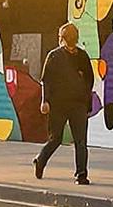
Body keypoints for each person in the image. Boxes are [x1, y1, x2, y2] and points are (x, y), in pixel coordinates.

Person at [33, 22, 94, 185]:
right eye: (66, 38)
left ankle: (81, 174)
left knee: (81, 141)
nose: (68, 41)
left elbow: (89, 80)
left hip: (78, 105)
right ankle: (41, 160)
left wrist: (88, 104)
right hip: (58, 105)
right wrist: (44, 101)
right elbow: (46, 80)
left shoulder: (82, 56)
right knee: (56, 139)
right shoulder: (54, 56)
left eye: (70, 38)